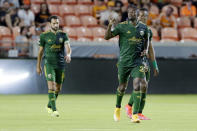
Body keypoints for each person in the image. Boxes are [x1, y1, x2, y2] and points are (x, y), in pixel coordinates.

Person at [105, 5, 151, 123]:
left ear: (137, 13)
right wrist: (110, 25)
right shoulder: (122, 26)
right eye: (129, 12)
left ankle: (135, 115)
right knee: (122, 87)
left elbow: (147, 39)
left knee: (138, 85)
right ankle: (117, 108)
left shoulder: (143, 27)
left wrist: (145, 50)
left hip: (138, 61)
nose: (131, 14)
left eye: (133, 12)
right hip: (124, 62)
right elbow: (107, 37)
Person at [125, 8, 159, 120]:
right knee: (140, 84)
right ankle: (134, 111)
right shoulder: (131, 28)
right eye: (140, 15)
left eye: (145, 15)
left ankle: (135, 110)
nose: (143, 17)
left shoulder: (148, 31)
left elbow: (151, 49)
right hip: (134, 62)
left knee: (144, 86)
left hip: (145, 63)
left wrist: (155, 65)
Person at [36, 15, 72, 117]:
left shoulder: (63, 35)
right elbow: (40, 53)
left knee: (58, 89)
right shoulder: (44, 36)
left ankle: (48, 106)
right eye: (54, 23)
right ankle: (54, 109)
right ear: (50, 24)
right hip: (49, 64)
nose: (56, 25)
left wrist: (68, 54)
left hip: (60, 64)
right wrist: (38, 66)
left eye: (57, 23)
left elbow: (68, 47)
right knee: (51, 86)